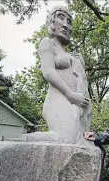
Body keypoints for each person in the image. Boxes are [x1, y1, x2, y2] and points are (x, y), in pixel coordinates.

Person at [38, 6, 91, 144]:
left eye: (69, 21)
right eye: (61, 18)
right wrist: (70, 94)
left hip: (73, 103)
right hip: (58, 99)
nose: (65, 24)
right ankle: (21, 141)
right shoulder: (47, 43)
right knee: (65, 139)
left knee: (78, 140)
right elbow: (48, 72)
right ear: (51, 21)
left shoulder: (70, 54)